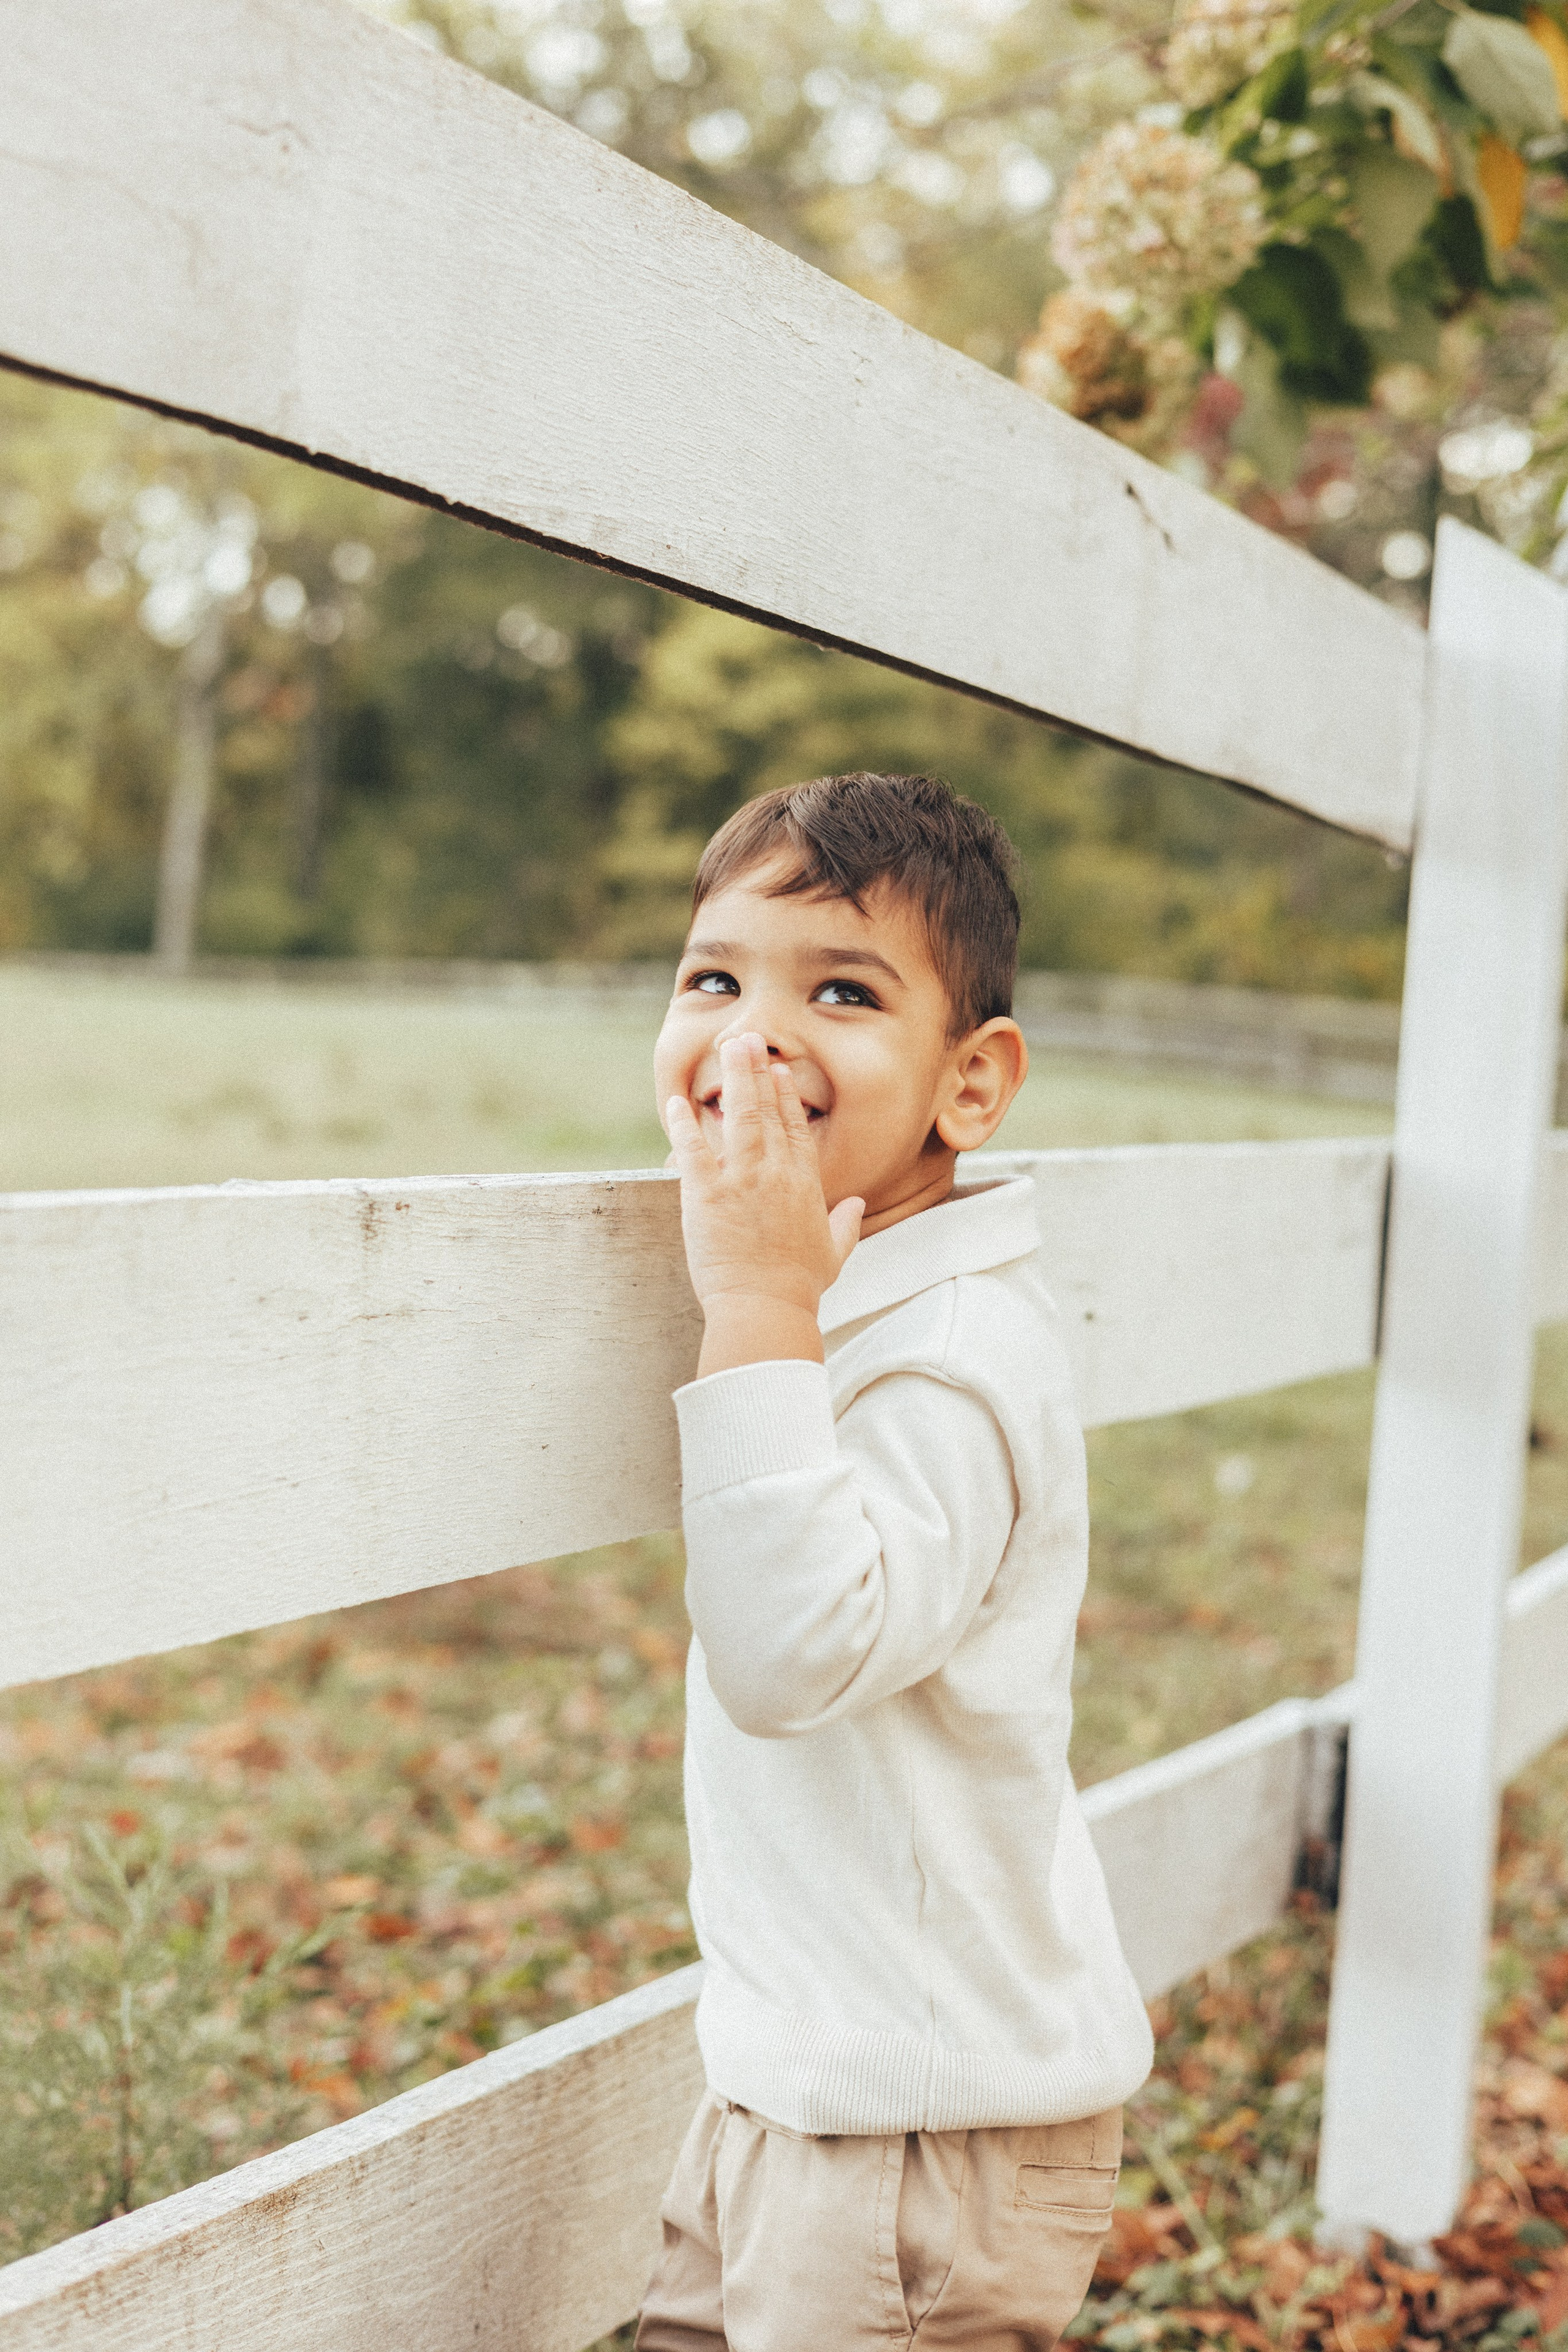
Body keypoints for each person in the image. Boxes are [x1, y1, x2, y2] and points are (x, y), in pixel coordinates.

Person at [637, 772, 1152, 2352]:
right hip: (808, 2082)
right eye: (715, 977)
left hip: (924, 2136)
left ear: (970, 1086)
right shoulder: (874, 1304)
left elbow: (794, 1656)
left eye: (841, 992)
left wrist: (757, 1308)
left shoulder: (953, 1361)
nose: (753, 1034)